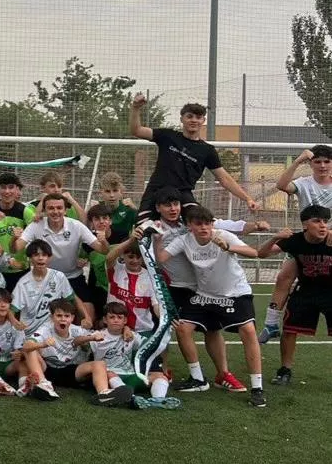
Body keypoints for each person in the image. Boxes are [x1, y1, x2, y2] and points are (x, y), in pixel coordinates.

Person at [154, 205, 265, 407]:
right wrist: (157, 238)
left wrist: (228, 247)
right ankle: (197, 379)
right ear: (189, 226)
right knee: (183, 328)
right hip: (205, 295)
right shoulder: (184, 240)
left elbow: (253, 252)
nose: (205, 228)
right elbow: (161, 259)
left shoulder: (223, 236)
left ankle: (257, 388)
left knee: (248, 330)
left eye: (208, 223)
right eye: (199, 224)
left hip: (234, 292)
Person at [129, 92, 256, 220]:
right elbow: (137, 130)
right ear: (182, 119)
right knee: (143, 229)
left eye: (198, 117)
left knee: (201, 221)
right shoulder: (167, 136)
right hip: (156, 190)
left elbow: (225, 179)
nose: (194, 120)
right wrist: (136, 108)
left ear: (203, 121)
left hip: (182, 193)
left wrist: (247, 198)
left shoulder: (207, 150)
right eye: (189, 116)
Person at [262, 145, 332, 343]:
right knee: (284, 277)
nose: (322, 165)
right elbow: (281, 185)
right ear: (311, 164)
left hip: (329, 242)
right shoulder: (304, 183)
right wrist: (297, 160)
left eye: (327, 161)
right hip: (307, 240)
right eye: (317, 161)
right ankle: (271, 324)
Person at [255, 206, 332, 386]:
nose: (322, 226)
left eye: (325, 222)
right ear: (305, 224)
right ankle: (285, 370)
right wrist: (276, 237)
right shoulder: (295, 240)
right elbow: (261, 253)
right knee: (290, 330)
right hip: (306, 290)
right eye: (317, 221)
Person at [15, 193, 106, 324]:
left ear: (65, 209)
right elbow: (16, 248)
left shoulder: (76, 225)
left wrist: (103, 241)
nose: (55, 211)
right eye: (51, 208)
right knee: (43, 318)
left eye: (59, 208)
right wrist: (14, 238)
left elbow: (102, 249)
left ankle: (76, 342)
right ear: (45, 210)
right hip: (45, 278)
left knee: (89, 316)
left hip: (73, 276)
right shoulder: (36, 225)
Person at [21, 299, 131, 405]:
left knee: (99, 364)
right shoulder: (45, 329)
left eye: (67, 316)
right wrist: (43, 344)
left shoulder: (77, 330)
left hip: (72, 371)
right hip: (48, 369)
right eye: (59, 316)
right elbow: (26, 346)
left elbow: (84, 338)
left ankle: (104, 394)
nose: (63, 319)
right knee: (30, 350)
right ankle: (43, 384)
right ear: (52, 317)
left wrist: (126, 329)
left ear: (72, 318)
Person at [87, 302, 179, 409]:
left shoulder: (131, 335)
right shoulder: (97, 336)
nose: (116, 320)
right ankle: (130, 398)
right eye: (112, 317)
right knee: (110, 373)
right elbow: (83, 348)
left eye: (119, 317)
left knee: (159, 376)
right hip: (109, 376)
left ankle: (158, 400)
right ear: (105, 320)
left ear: (125, 321)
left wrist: (165, 329)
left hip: (130, 374)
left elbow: (150, 345)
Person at [10, 240, 82, 328]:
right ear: (30, 258)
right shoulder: (23, 283)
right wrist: (14, 322)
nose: (40, 258)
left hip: (54, 330)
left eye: (44, 255)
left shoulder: (59, 276)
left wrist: (87, 317)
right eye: (36, 255)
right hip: (30, 331)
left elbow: (73, 298)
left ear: (50, 258)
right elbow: (12, 309)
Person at [0, 172, 35, 291]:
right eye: (3, 187)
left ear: (17, 189)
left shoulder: (25, 211)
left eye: (11, 187)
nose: (7, 191)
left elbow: (37, 234)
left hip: (19, 270)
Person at [97, 172, 137, 244]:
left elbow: (143, 226)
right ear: (101, 192)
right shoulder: (96, 209)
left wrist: (136, 210)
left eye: (115, 191)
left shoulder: (129, 209)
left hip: (124, 252)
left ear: (121, 192)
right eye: (107, 191)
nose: (112, 195)